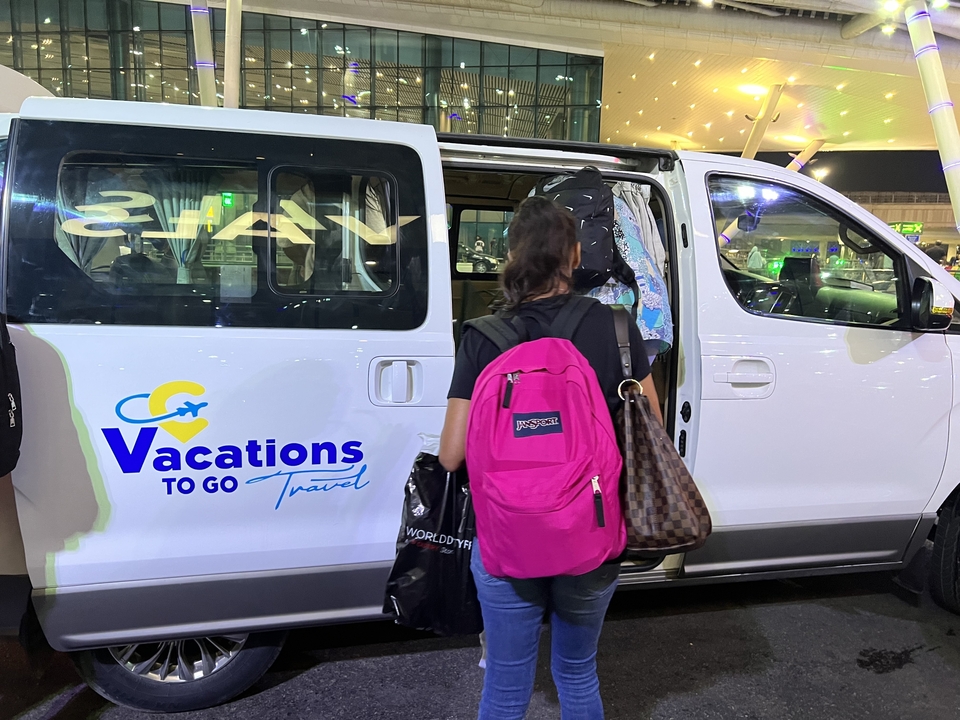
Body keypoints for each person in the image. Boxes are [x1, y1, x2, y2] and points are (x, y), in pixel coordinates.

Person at [439, 196, 661, 720]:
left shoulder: (481, 337)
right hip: (592, 533)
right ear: (576, 255)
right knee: (577, 672)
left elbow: (451, 457)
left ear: (512, 255)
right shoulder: (617, 328)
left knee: (506, 683)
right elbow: (650, 427)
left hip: (506, 537)